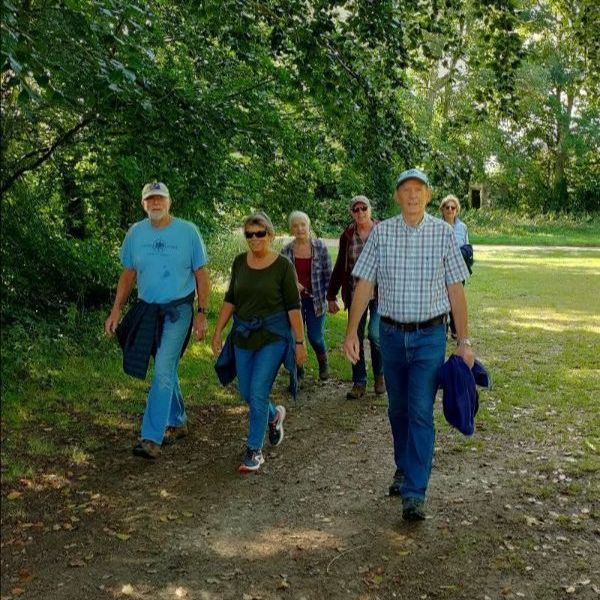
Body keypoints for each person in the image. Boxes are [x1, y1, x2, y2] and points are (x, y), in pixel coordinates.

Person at [343, 169, 474, 521]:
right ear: (398, 196)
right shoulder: (382, 234)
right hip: (390, 335)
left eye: (419, 190)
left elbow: (456, 292)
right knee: (397, 409)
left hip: (430, 336)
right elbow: (365, 285)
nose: (413, 196)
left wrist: (464, 341)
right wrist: (352, 331)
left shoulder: (444, 235)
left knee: (419, 410)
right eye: (406, 190)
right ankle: (403, 466)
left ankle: (415, 491)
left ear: (427, 196)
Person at [105, 182, 210, 459]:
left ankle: (151, 437)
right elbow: (128, 274)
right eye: (150, 199)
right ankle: (178, 420)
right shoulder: (136, 233)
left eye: (159, 198)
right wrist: (116, 309)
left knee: (163, 366)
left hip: (178, 310)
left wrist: (202, 313)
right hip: (147, 310)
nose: (155, 203)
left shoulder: (188, 231)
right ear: (143, 204)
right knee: (165, 366)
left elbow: (201, 274)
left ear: (169, 202)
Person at [212, 212, 307, 473]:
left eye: (259, 233)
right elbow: (231, 298)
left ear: (270, 234)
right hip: (243, 333)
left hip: (273, 335)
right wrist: (218, 331)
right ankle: (274, 415)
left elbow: (293, 307)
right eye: (249, 234)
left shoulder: (283, 266)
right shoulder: (240, 262)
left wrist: (300, 342)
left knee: (257, 391)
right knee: (246, 393)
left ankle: (254, 450)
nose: (254, 239)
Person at [327, 195, 384, 399]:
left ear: (370, 209)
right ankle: (359, 382)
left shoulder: (382, 230)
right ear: (352, 213)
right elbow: (340, 266)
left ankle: (380, 376)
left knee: (376, 335)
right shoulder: (348, 235)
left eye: (363, 208)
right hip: (354, 294)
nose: (360, 213)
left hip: (380, 294)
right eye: (356, 209)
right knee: (355, 337)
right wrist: (331, 295)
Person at [281, 211, 333, 381]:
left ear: (308, 226)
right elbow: (280, 279)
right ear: (291, 229)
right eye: (295, 225)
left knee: (315, 336)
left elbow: (328, 275)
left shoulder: (320, 247)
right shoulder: (286, 251)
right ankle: (298, 368)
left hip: (316, 300)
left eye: (303, 224)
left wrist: (331, 297)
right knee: (295, 336)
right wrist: (292, 285)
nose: (300, 228)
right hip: (293, 302)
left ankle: (323, 361)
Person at [440, 194, 473, 336]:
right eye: (447, 207)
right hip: (441, 267)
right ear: (442, 209)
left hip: (458, 267)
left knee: (456, 297)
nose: (450, 210)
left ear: (457, 210)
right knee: (443, 298)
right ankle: (443, 329)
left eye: (453, 207)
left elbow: (467, 246)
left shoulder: (463, 227)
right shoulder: (436, 225)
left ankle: (455, 327)